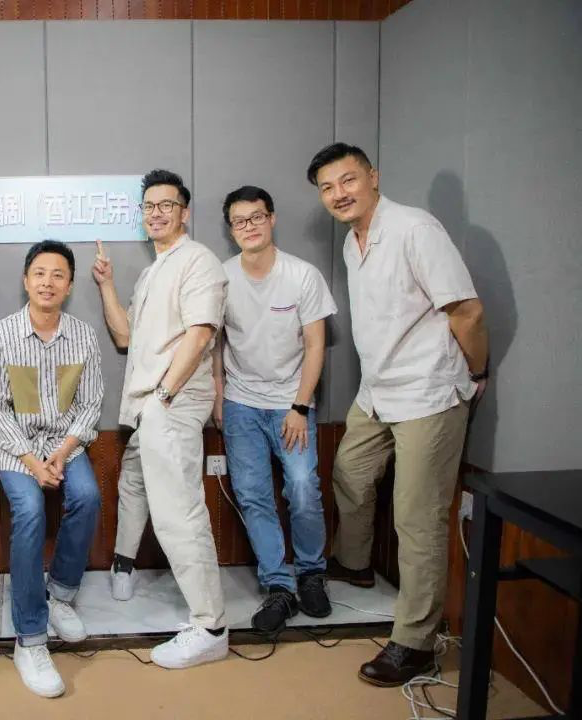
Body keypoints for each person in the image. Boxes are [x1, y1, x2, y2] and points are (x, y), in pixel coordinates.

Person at [307, 142, 489, 686]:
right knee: (349, 471)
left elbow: (467, 310)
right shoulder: (352, 243)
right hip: (378, 388)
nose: (339, 194)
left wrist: (477, 372)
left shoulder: (415, 229)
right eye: (327, 187)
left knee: (417, 517)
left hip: (428, 391)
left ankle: (415, 642)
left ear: (373, 177)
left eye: (348, 180)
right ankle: (356, 565)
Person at [92, 169, 229, 669]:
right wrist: (107, 285)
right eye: (149, 205)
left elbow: (200, 333)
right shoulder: (153, 271)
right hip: (147, 407)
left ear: (184, 211)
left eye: (166, 204)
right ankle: (136, 572)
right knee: (142, 490)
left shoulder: (198, 261)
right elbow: (126, 337)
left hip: (168, 402)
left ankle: (210, 626)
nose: (156, 213)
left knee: (179, 514)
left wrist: (165, 395)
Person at [213, 185, 337, 634]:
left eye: (257, 217)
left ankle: (311, 574)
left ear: (272, 219)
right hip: (241, 404)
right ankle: (278, 586)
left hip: (291, 403)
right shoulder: (222, 277)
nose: (249, 226)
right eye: (239, 221)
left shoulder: (302, 275)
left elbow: (316, 344)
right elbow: (216, 343)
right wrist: (219, 397)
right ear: (231, 229)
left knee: (303, 487)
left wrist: (300, 406)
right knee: (253, 495)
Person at [0, 240, 103, 698]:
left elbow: (90, 403)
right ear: (25, 280)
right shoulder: (1, 335)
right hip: (17, 448)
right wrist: (33, 463)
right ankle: (29, 637)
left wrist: (63, 451)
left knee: (87, 496)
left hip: (64, 444)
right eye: (39, 273)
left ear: (69, 285)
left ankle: (61, 595)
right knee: (30, 510)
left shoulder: (83, 336)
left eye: (58, 275)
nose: (47, 282)